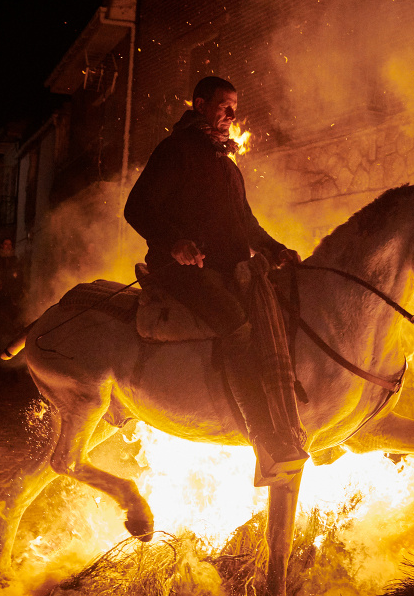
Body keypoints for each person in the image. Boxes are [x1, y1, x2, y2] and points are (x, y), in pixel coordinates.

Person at [124, 76, 308, 485]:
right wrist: (175, 243)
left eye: (234, 108)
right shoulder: (175, 151)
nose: (231, 115)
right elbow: (136, 207)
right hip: (181, 271)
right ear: (200, 104)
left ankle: (285, 419)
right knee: (236, 325)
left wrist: (276, 249)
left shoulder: (228, 166)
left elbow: (247, 224)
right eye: (224, 105)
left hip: (228, 270)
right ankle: (264, 441)